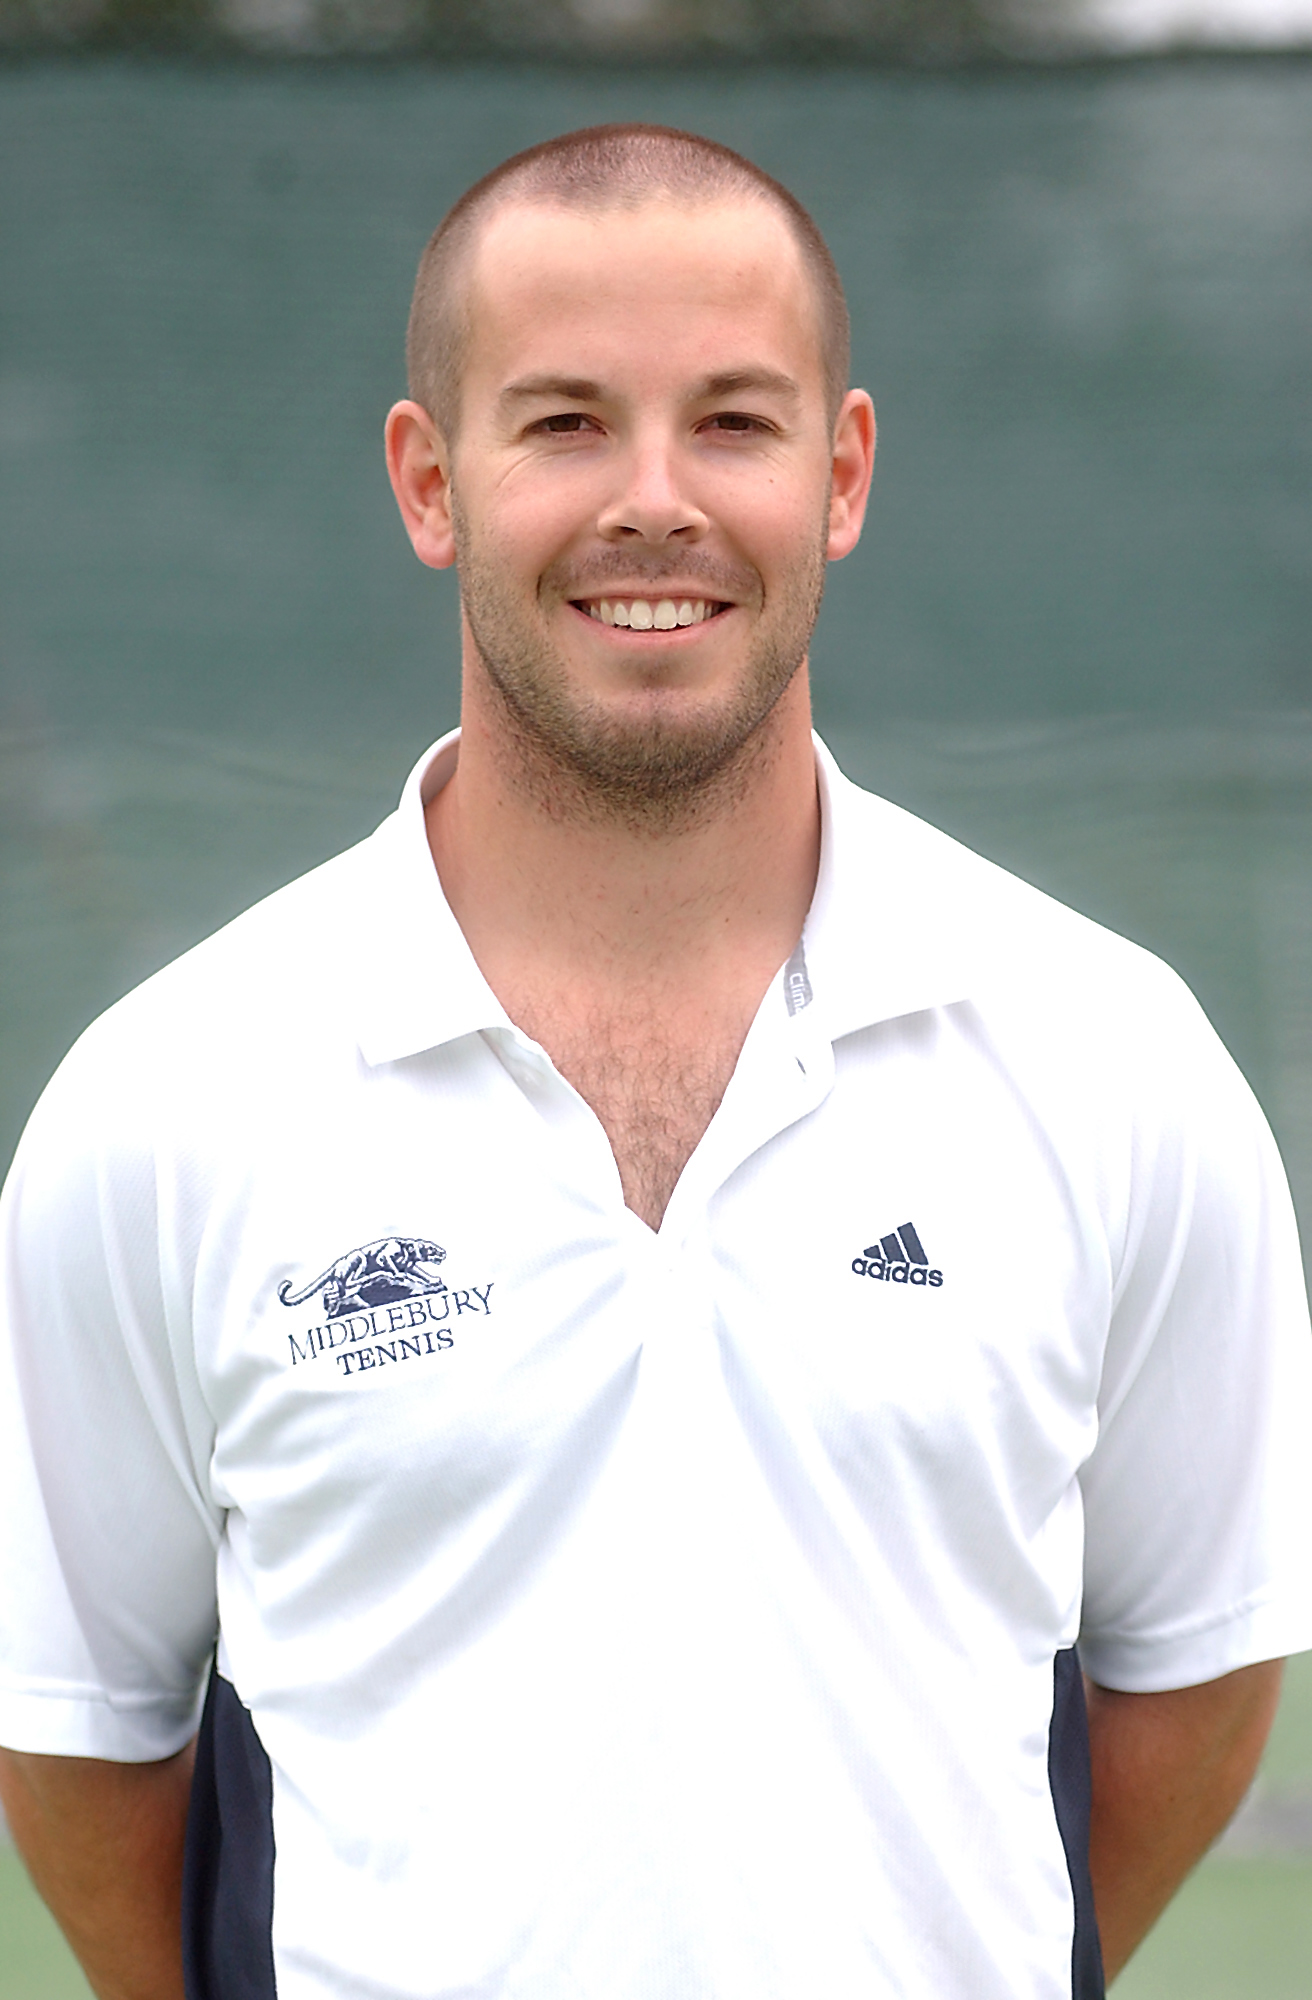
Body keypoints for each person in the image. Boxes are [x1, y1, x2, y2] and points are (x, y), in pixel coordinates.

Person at [1, 123, 1310, 2000]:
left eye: (733, 422)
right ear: (429, 483)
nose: (654, 501)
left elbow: (1196, 1677)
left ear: (841, 476)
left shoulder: (1112, 1061)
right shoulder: (165, 1106)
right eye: (563, 424)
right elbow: (78, 1738)